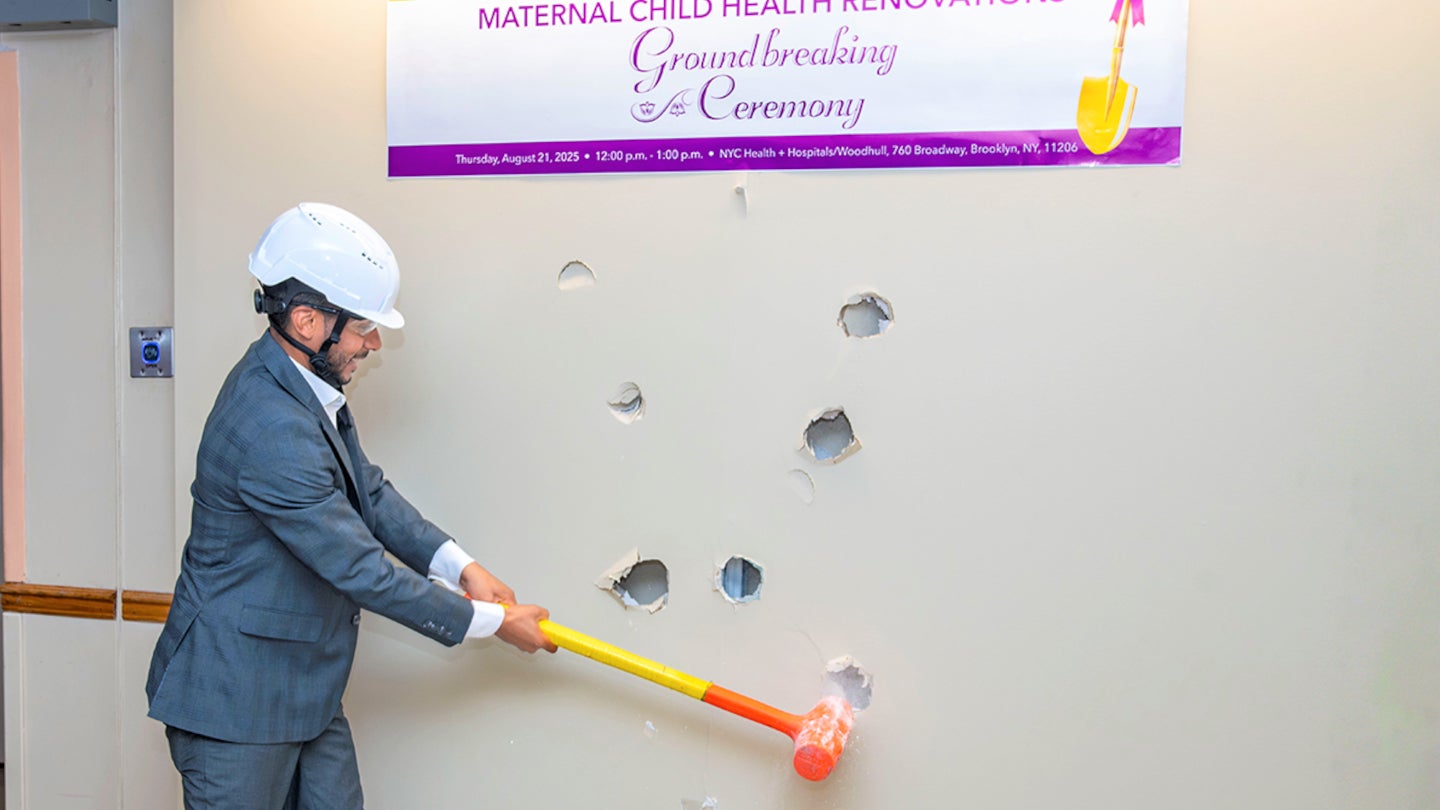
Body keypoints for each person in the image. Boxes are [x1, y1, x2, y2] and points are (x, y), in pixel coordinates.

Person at [146, 202, 557, 809]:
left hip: (304, 688)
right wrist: (491, 623)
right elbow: (360, 569)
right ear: (308, 321)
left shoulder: (303, 387)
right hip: (235, 701)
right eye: (364, 326)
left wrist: (458, 565)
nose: (374, 343)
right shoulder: (271, 425)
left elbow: (368, 490)